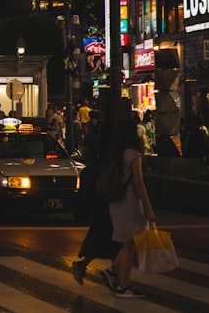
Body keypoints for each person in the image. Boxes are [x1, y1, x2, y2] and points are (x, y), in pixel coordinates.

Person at [106, 116, 156, 298]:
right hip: (129, 202)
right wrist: (149, 209)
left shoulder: (116, 152)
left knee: (128, 242)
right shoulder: (134, 154)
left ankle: (114, 272)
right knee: (130, 244)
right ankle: (122, 285)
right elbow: (139, 183)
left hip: (115, 200)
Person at [71, 110, 121, 287]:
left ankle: (110, 270)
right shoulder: (112, 151)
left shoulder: (98, 144)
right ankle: (112, 272)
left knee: (110, 235)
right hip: (109, 198)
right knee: (115, 237)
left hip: (102, 197)